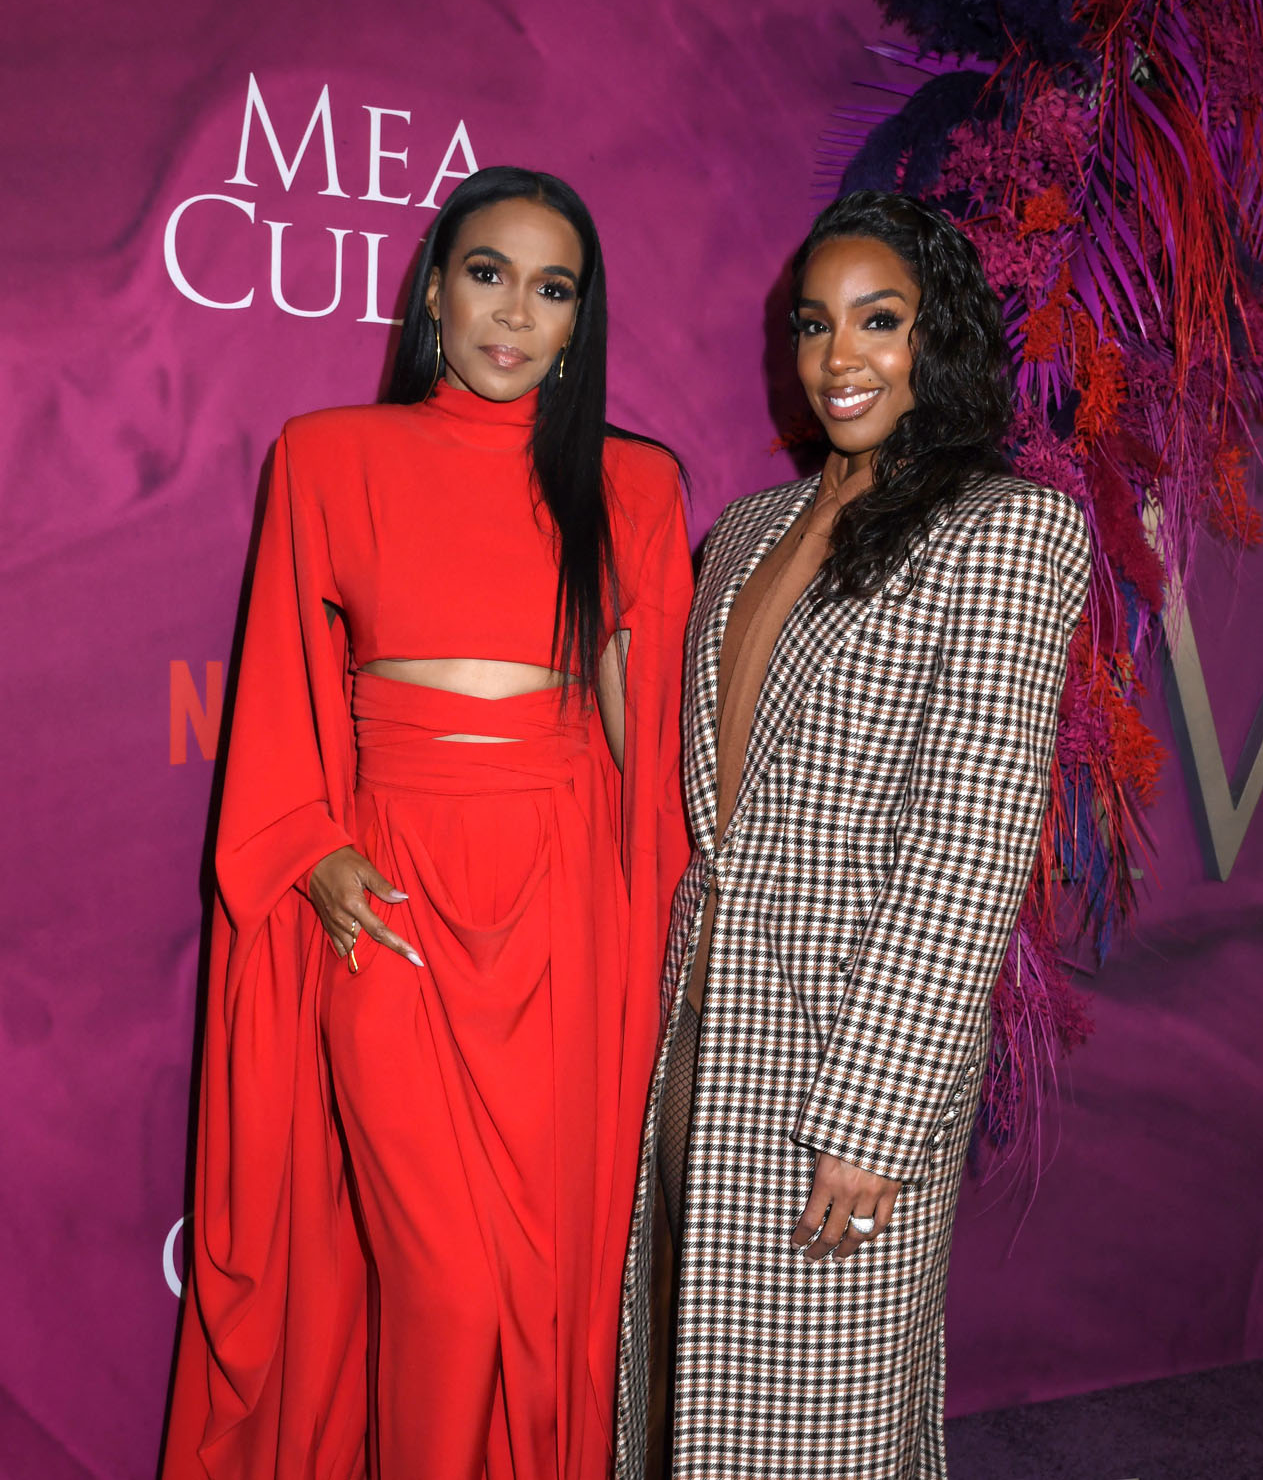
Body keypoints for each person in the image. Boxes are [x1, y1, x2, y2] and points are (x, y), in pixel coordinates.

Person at [161, 166, 692, 1480]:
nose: (514, 313)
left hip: (560, 904)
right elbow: (280, 690)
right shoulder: (325, 455)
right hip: (388, 903)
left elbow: (645, 747)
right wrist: (311, 850)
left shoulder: (631, 486)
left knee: (541, 1290)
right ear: (435, 292)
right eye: (487, 274)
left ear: (578, 321)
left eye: (551, 289)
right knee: (447, 1289)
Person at [615, 191, 1090, 1480]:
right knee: (674, 1408)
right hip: (698, 1027)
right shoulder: (746, 532)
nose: (841, 357)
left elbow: (968, 850)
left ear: (940, 336)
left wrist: (874, 1118)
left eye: (880, 320)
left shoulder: (1005, 529)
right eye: (816, 324)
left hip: (847, 1055)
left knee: (813, 1428)